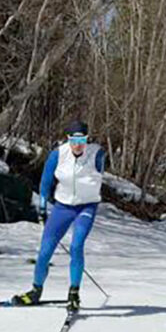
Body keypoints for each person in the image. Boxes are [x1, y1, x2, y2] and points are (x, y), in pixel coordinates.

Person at [12, 120, 105, 312]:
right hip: (63, 207)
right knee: (45, 252)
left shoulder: (97, 154)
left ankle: (73, 293)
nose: (78, 144)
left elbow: (98, 172)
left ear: (87, 139)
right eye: (74, 139)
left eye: (82, 139)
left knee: (76, 245)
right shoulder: (58, 154)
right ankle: (35, 291)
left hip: (86, 206)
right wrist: (43, 207)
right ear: (68, 139)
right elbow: (45, 182)